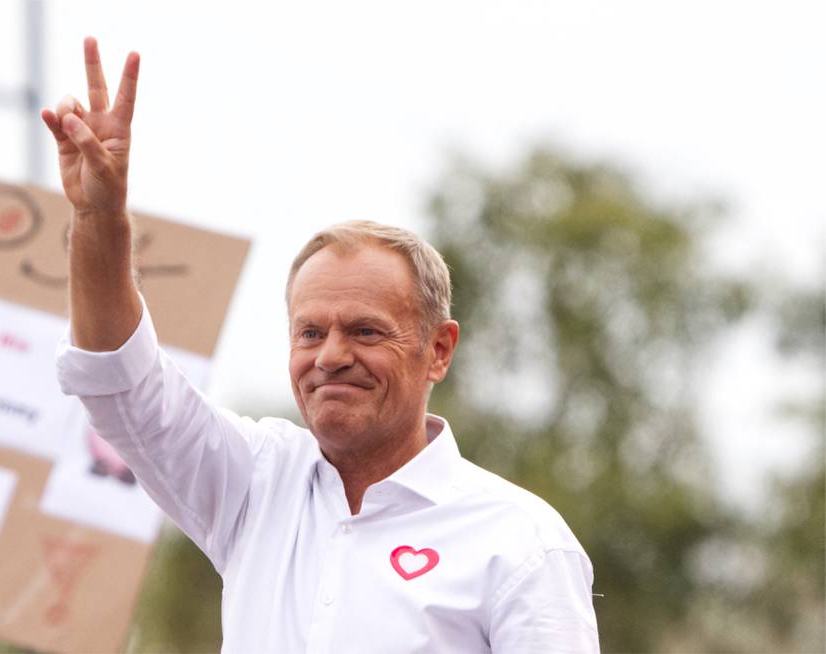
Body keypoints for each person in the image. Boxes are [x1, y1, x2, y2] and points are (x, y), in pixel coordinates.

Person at [46, 37, 600, 653]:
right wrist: (99, 218)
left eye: (365, 331)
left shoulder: (520, 542)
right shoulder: (255, 483)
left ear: (438, 350)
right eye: (309, 333)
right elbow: (122, 383)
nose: (330, 356)